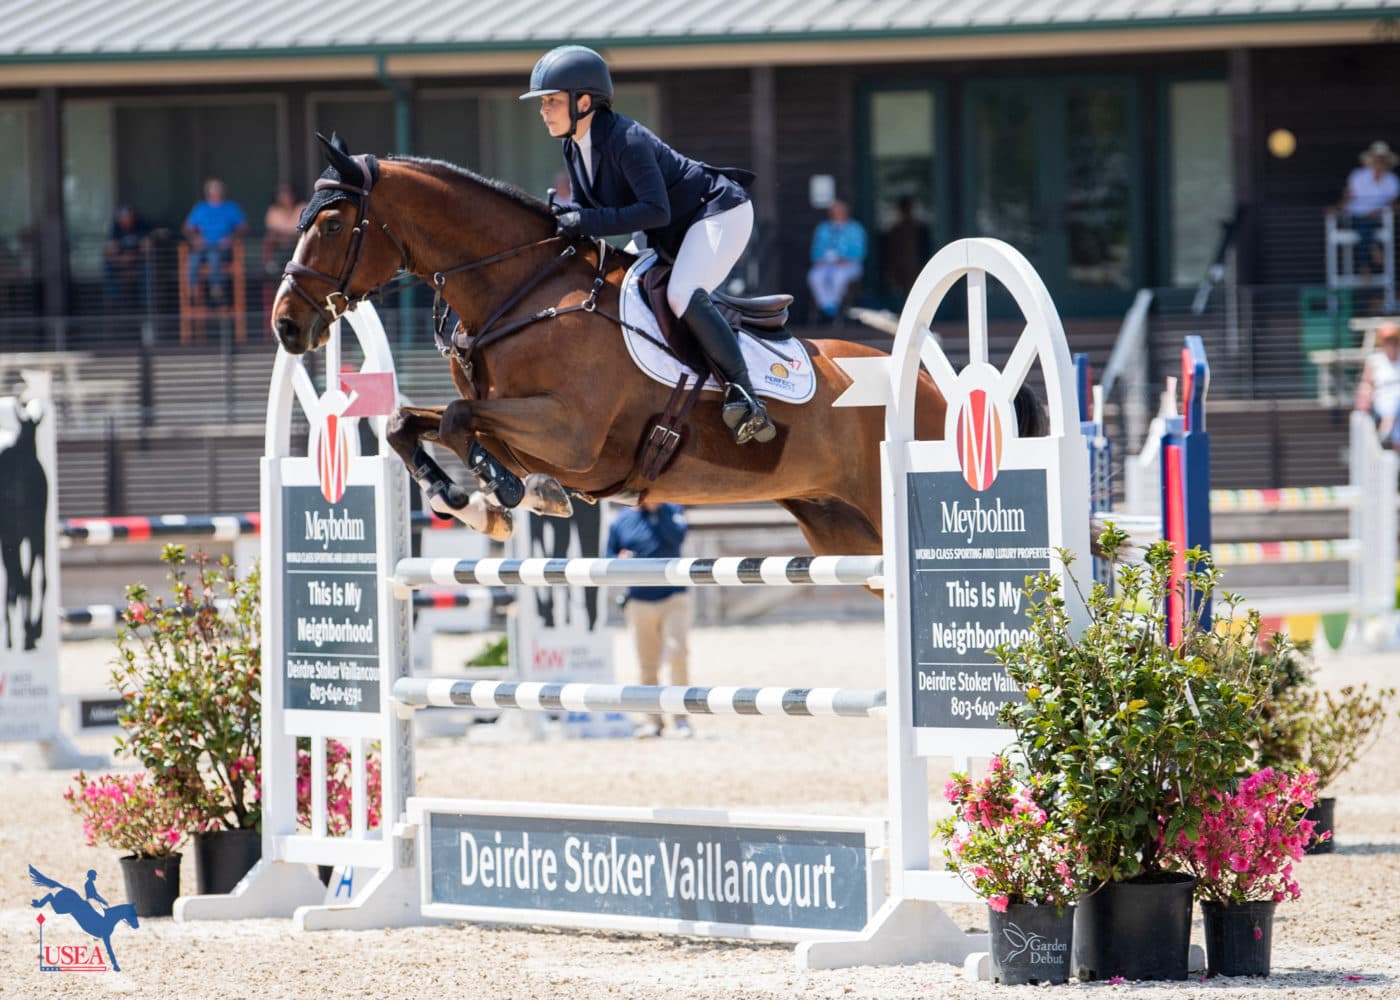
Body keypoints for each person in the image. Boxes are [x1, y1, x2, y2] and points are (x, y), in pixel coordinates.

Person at [521, 45, 774, 446]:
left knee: (681, 293)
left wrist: (582, 219)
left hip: (716, 213)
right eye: (544, 102)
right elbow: (590, 211)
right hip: (665, 230)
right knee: (624, 293)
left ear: (583, 102)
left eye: (552, 101)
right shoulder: (573, 145)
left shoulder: (627, 138)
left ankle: (745, 395)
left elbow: (655, 210)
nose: (543, 111)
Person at [605, 501, 691, 738]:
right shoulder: (622, 520)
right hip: (639, 599)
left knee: (678, 654)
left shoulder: (673, 511)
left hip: (673, 595)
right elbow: (609, 555)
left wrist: (657, 511)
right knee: (647, 663)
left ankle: (681, 718)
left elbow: (677, 538)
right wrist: (619, 560)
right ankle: (653, 720)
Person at [1335, 141, 1399, 274]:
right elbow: (1349, 198)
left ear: (1387, 162)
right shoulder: (1357, 176)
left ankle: (1364, 265)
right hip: (1356, 217)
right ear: (1371, 160)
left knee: (1365, 226)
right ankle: (1373, 249)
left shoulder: (1392, 180)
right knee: (1363, 223)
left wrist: (1377, 213)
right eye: (1377, 159)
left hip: (1379, 218)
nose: (1379, 162)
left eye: (1382, 159)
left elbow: (1392, 205)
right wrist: (1337, 209)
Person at [183, 177, 247, 305]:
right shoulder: (200, 208)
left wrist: (230, 238)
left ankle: (216, 290)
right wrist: (196, 239)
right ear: (207, 192)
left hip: (223, 248)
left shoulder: (231, 208)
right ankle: (192, 292)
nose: (216, 192)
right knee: (192, 259)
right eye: (213, 189)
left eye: (218, 189)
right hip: (203, 247)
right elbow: (187, 228)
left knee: (214, 256)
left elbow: (243, 227)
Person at [807, 199, 867, 323]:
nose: (837, 213)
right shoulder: (823, 228)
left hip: (848, 264)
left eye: (840, 211)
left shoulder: (855, 228)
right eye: (835, 211)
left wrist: (846, 258)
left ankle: (835, 305)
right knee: (815, 276)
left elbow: (860, 250)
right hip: (826, 263)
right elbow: (816, 248)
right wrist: (819, 259)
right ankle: (826, 305)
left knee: (839, 276)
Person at [1356, 321, 1400, 447]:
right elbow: (1366, 384)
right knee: (1394, 406)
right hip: (1382, 400)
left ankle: (1385, 431)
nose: (1391, 345)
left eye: (1394, 341)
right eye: (1388, 341)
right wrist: (1365, 397)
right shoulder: (1375, 361)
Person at [104, 205, 151, 311]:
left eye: (128, 217)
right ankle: (114, 302)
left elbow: (146, 248)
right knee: (106, 265)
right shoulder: (115, 227)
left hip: (139, 260)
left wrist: (132, 257)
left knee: (148, 267)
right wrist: (120, 259)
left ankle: (144, 304)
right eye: (123, 218)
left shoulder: (141, 224)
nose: (126, 221)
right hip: (121, 262)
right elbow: (111, 250)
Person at [263, 182, 305, 273]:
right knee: (270, 238)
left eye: (287, 194)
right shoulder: (273, 211)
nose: (285, 197)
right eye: (281, 195)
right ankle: (271, 266)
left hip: (299, 246)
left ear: (293, 195)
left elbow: (304, 228)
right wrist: (292, 232)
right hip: (280, 248)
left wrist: (285, 232)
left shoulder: (302, 207)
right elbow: (273, 231)